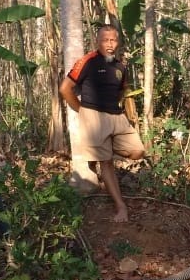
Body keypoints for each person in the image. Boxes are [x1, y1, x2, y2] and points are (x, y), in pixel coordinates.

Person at [59, 26, 145, 223]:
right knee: (106, 163)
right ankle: (121, 207)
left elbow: (122, 90)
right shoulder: (87, 62)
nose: (110, 44)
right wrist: (82, 111)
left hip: (116, 115)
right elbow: (65, 89)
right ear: (98, 42)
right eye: (106, 40)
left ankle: (101, 152)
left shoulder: (120, 67)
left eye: (113, 40)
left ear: (118, 43)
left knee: (138, 151)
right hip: (93, 116)